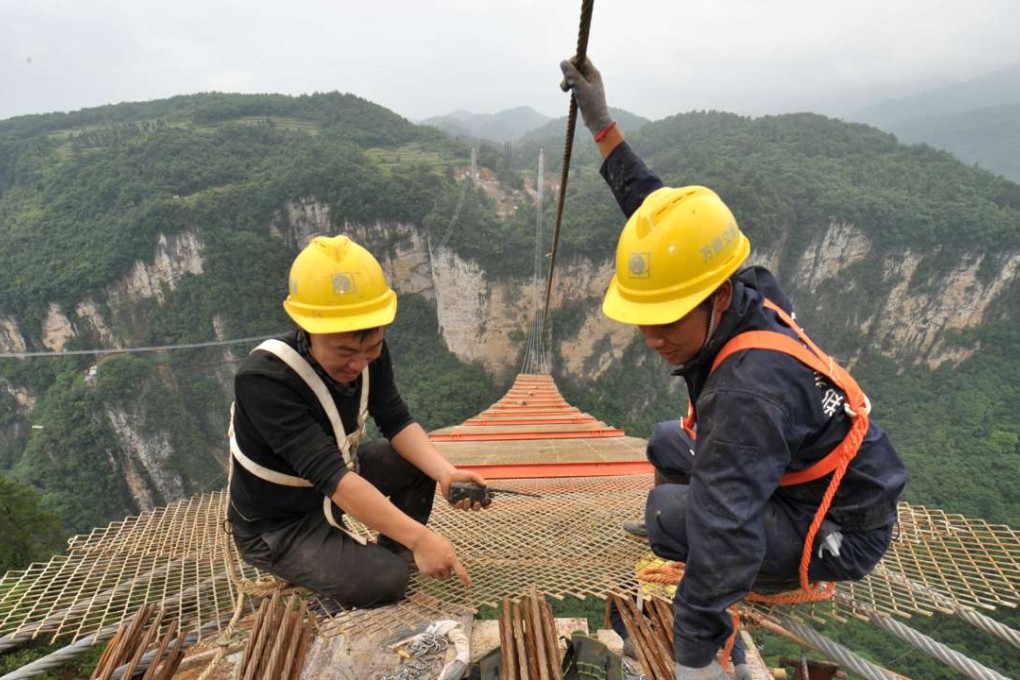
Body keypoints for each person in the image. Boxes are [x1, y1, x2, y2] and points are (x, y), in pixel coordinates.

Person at [560, 57, 908, 679]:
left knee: (668, 513)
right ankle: (719, 528)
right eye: (645, 317)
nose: (653, 337)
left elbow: (724, 535)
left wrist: (694, 663)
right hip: (807, 477)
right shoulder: (741, 283)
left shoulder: (748, 391)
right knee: (669, 439)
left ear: (716, 298)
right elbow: (660, 222)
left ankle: (762, 572)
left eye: (668, 319)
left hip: (836, 527)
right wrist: (604, 127)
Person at [227, 234, 487, 608]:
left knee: (415, 465)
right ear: (309, 331)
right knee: (385, 584)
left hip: (329, 488)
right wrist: (421, 538)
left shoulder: (369, 352)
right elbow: (333, 477)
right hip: (280, 523)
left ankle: (388, 553)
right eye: (344, 351)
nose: (359, 363)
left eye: (372, 348)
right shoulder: (264, 381)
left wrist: (446, 472)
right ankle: (376, 569)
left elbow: (395, 418)